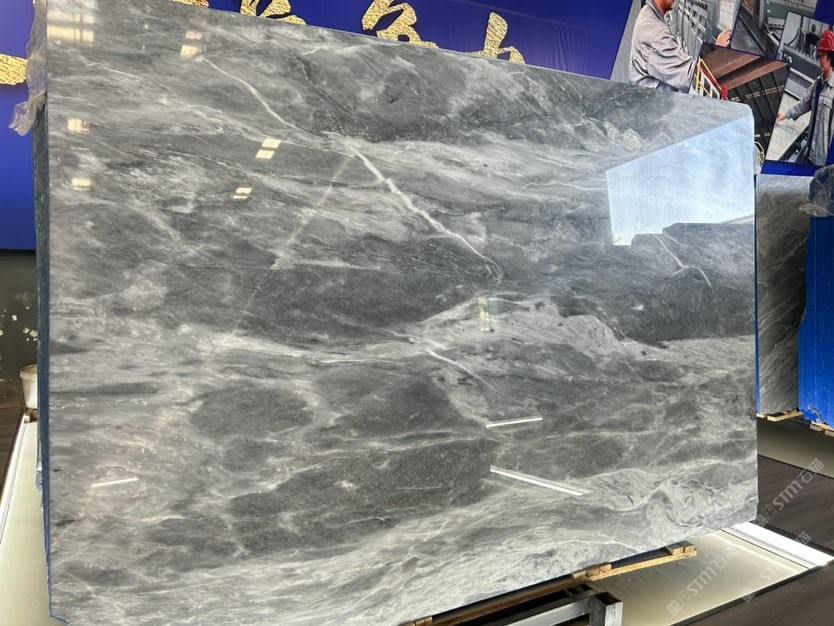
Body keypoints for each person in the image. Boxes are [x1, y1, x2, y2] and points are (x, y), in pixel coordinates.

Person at [629, 0, 732, 92]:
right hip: (655, 105)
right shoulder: (655, 34)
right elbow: (691, 77)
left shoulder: (647, 14)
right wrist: (717, 49)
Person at [777, 30, 834, 167]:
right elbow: (803, 103)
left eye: (822, 55)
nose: (819, 59)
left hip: (824, 161)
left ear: (831, 57)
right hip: (810, 154)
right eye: (819, 55)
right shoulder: (817, 84)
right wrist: (785, 115)